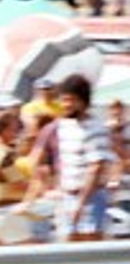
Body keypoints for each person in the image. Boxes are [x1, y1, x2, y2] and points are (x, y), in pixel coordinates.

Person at [51, 74, 115, 241]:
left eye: (70, 100)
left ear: (82, 101)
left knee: (90, 248)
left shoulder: (95, 128)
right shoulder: (63, 126)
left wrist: (81, 203)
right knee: (66, 248)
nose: (66, 105)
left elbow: (96, 167)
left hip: (89, 199)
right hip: (67, 196)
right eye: (63, 100)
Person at [0, 111, 35, 246]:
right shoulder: (5, 154)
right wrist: (34, 188)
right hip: (6, 208)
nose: (17, 134)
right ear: (3, 130)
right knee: (26, 249)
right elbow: (15, 181)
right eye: (14, 130)